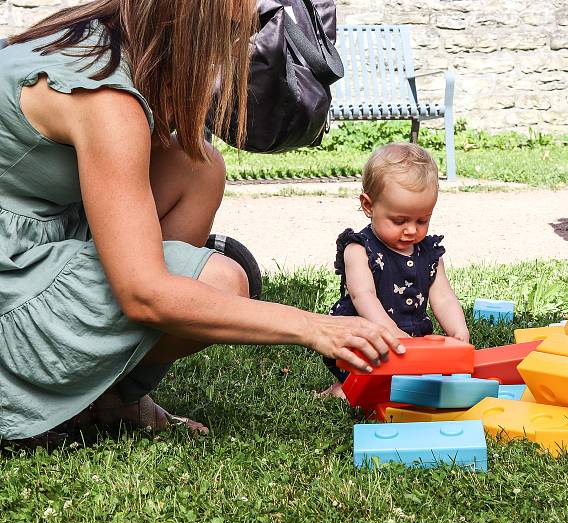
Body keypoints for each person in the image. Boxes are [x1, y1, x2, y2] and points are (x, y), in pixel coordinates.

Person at [0, 0, 403, 443]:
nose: (239, 50)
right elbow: (143, 295)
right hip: (11, 279)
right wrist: (314, 327)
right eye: (238, 33)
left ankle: (117, 397)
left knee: (198, 165)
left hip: (39, 233)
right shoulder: (105, 99)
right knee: (222, 282)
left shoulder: (114, 35)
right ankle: (51, 402)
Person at [319, 143, 469, 399]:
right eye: (399, 221)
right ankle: (343, 389)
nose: (411, 230)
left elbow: (443, 297)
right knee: (373, 390)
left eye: (422, 220)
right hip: (364, 340)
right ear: (369, 205)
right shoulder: (359, 249)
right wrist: (392, 334)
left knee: (423, 388)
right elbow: (363, 296)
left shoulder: (429, 253)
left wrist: (458, 330)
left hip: (413, 339)